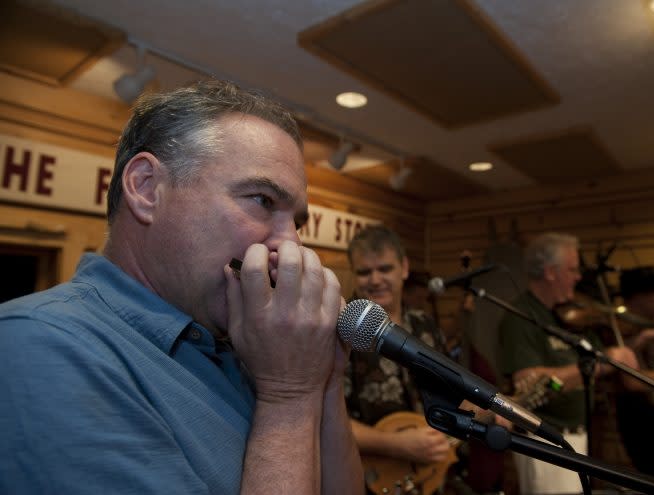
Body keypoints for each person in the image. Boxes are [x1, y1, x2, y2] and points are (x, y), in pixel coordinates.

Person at [0, 80, 363, 494]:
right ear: (146, 188)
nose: (293, 245)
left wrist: (324, 377)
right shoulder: (37, 344)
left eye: (296, 222)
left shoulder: (243, 345)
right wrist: (290, 394)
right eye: (262, 200)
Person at [344, 225, 499, 495]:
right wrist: (395, 444)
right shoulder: (343, 334)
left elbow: (452, 393)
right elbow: (326, 422)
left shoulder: (425, 325)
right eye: (364, 272)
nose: (375, 279)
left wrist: (492, 410)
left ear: (404, 268)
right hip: (366, 480)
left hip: (431, 478)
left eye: (385, 269)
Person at [498, 232, 638, 494]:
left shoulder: (571, 315)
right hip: (545, 440)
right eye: (572, 269)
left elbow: (609, 359)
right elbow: (528, 380)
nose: (578, 276)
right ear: (550, 272)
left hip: (578, 436)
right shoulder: (521, 316)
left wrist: (637, 342)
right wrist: (603, 362)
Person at [614, 267, 654, 480]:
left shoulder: (653, 321)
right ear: (644, 296)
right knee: (652, 476)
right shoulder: (619, 323)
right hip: (638, 414)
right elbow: (631, 381)